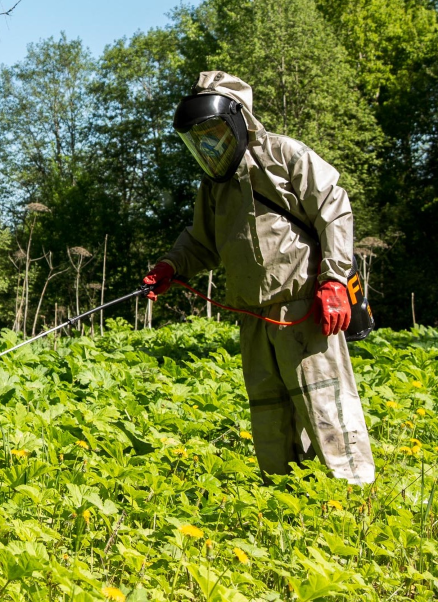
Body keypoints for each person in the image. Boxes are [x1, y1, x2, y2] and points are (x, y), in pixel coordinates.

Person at [144, 71, 375, 485]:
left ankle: (353, 498)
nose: (208, 145)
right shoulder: (214, 187)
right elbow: (201, 242)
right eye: (198, 139)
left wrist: (335, 281)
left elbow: (334, 207)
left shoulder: (285, 155)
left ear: (237, 120)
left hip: (304, 308)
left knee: (325, 406)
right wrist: (170, 266)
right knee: (270, 415)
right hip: (253, 317)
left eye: (213, 132)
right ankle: (286, 500)